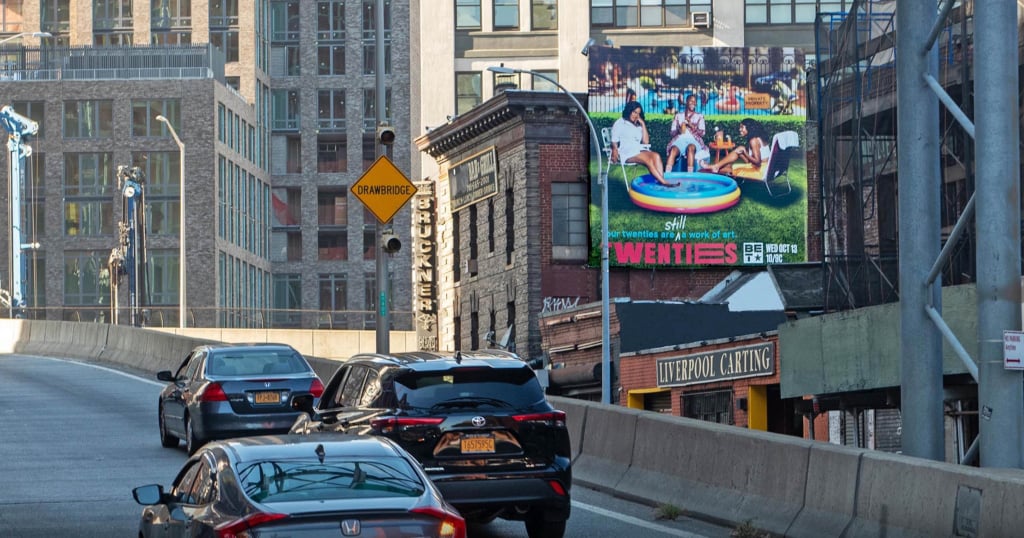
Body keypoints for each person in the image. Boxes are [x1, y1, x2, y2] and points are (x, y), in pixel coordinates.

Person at [610, 101, 674, 186]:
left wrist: (643, 124)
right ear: (629, 111)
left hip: (638, 150)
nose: (636, 115)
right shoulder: (620, 122)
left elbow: (645, 142)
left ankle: (660, 182)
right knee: (648, 161)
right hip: (626, 153)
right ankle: (664, 183)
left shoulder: (638, 125)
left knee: (656, 156)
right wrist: (614, 150)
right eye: (634, 112)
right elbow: (614, 140)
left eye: (638, 113)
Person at [706, 118, 771, 176]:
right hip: (764, 167)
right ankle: (717, 166)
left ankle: (716, 167)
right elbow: (753, 160)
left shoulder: (754, 140)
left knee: (723, 170)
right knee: (739, 150)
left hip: (761, 171)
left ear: (749, 128)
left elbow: (758, 162)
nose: (740, 129)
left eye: (742, 127)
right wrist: (742, 151)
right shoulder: (758, 137)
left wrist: (745, 152)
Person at [664, 93, 710, 173]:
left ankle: (690, 176)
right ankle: (667, 176)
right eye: (691, 101)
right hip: (680, 140)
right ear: (686, 101)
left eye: (695, 101)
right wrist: (679, 129)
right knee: (673, 150)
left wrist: (691, 125)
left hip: (694, 141)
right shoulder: (678, 116)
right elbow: (672, 132)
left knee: (690, 148)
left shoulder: (699, 116)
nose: (693, 103)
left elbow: (702, 133)